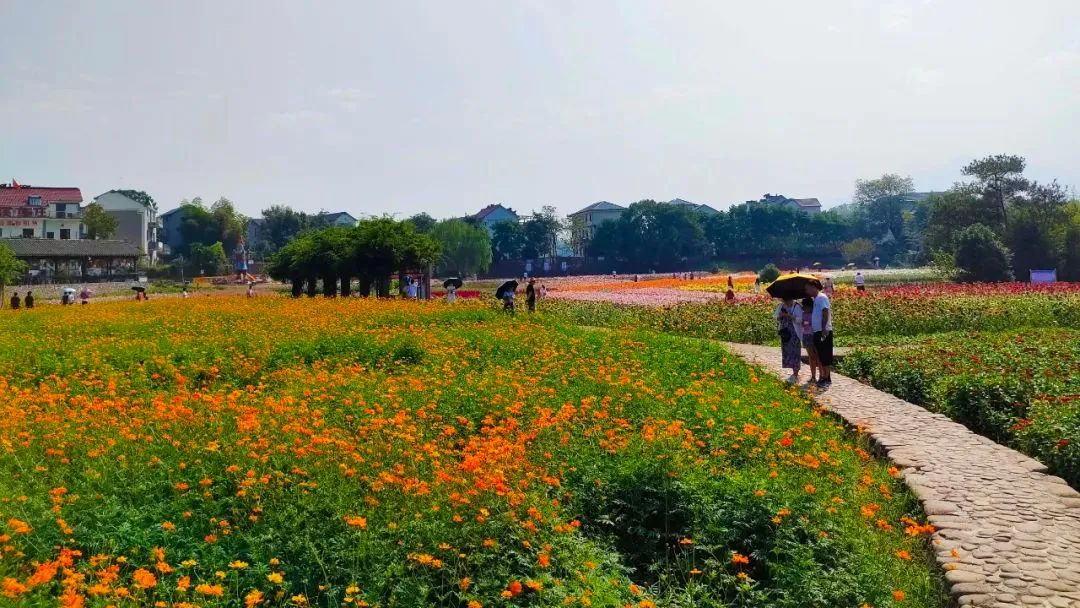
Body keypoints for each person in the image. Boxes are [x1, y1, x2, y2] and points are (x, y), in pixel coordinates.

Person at [806, 279, 833, 386]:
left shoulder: (821, 298)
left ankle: (826, 378)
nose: (807, 291)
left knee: (825, 355)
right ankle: (825, 377)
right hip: (818, 330)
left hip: (823, 331)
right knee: (821, 355)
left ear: (814, 287)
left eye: (807, 289)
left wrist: (823, 328)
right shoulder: (816, 299)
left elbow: (825, 312)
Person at [773, 297, 802, 380]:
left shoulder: (796, 306)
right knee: (787, 351)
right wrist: (780, 316)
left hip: (794, 332)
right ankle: (793, 371)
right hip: (785, 332)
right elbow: (775, 317)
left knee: (795, 351)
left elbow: (800, 319)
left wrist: (789, 316)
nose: (784, 301)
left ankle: (796, 373)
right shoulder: (781, 306)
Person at [800, 296, 820, 384]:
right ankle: (813, 376)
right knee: (811, 357)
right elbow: (802, 324)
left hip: (814, 335)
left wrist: (806, 323)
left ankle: (821, 375)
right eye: (803, 307)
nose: (804, 308)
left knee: (817, 356)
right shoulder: (803, 314)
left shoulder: (815, 314)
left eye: (805, 307)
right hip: (806, 335)